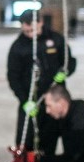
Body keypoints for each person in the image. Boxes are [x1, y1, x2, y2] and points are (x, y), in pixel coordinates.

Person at [7, 9, 76, 152]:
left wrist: (65, 72)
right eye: (26, 31)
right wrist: (24, 100)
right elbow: (13, 77)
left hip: (53, 99)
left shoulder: (56, 39)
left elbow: (70, 62)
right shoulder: (18, 47)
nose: (30, 34)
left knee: (49, 138)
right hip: (30, 101)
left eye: (33, 30)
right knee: (25, 140)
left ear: (41, 22)